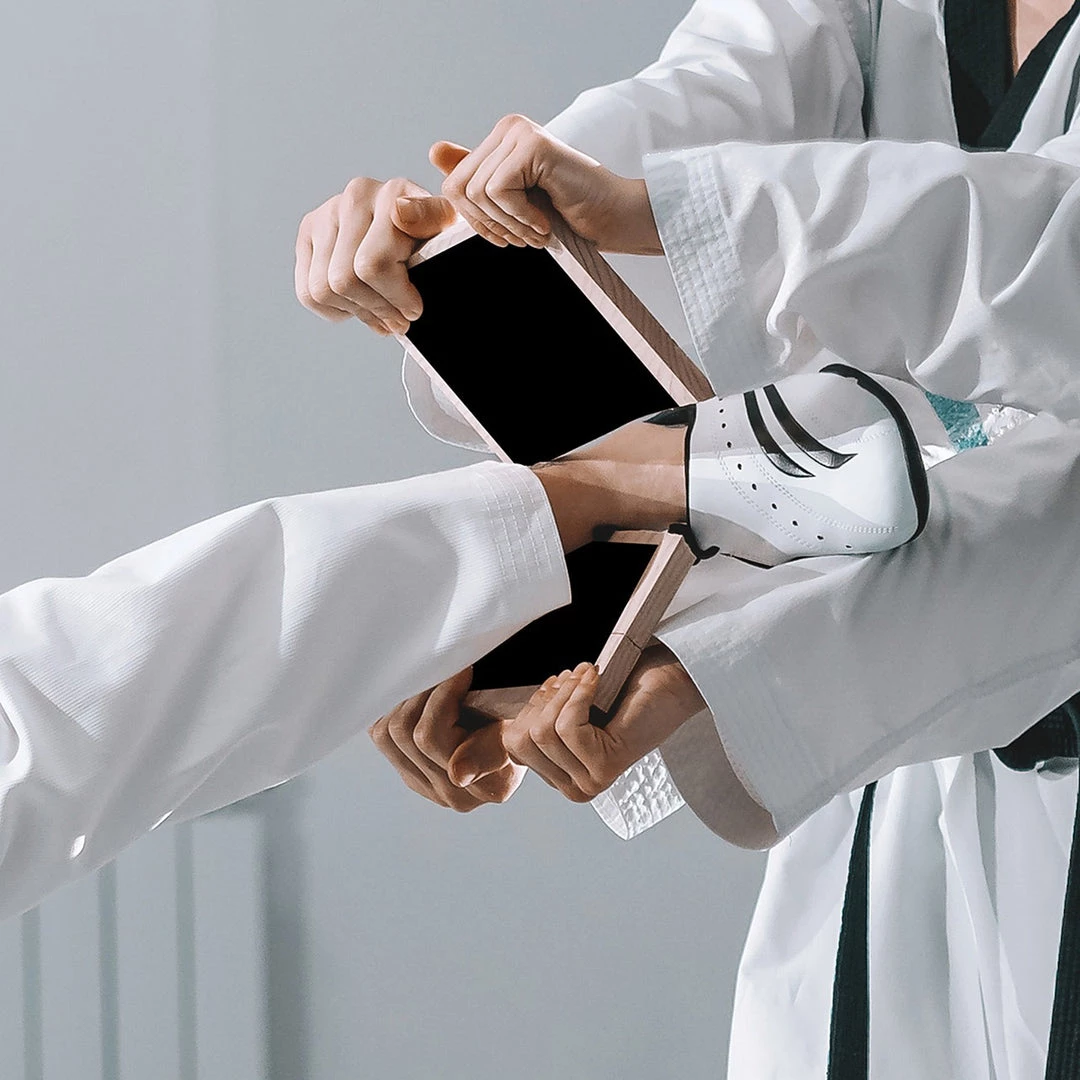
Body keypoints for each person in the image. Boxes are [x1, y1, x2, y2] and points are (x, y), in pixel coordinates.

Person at [298, 0, 1080, 1073]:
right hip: (887, 787)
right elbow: (710, 94)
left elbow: (1052, 261)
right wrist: (468, 231)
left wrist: (675, 210)